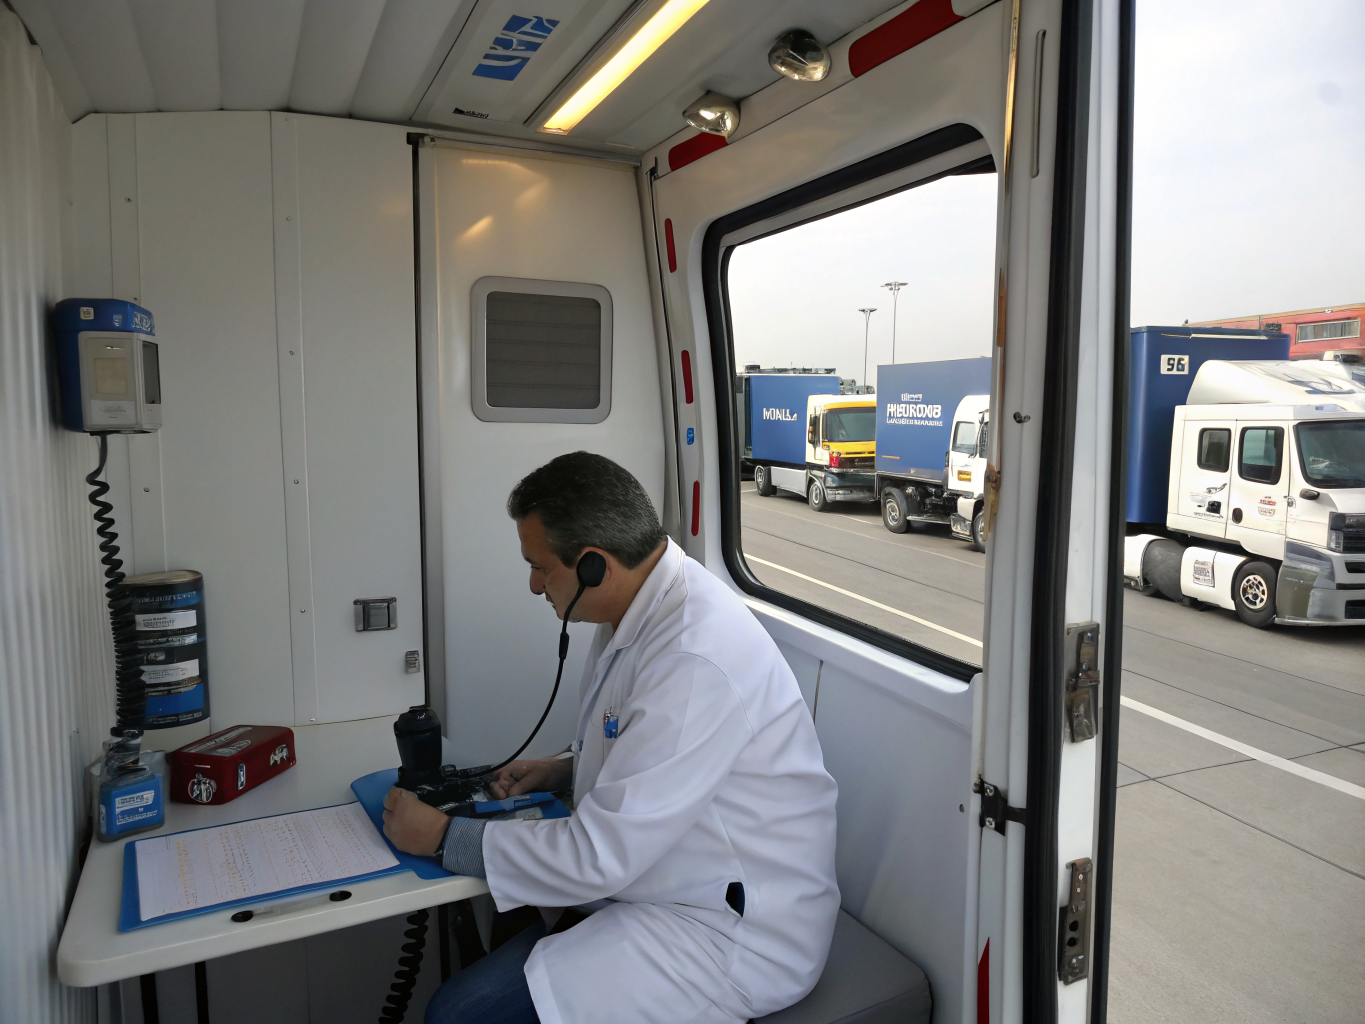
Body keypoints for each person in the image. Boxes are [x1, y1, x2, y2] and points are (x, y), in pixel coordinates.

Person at [382, 452, 839, 1024]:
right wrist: (566, 768)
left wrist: (446, 837)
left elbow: (601, 854)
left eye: (540, 567)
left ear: (594, 565)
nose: (532, 585)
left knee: (458, 1015)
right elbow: (645, 744)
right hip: (669, 879)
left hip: (730, 932)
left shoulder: (695, 658)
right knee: (510, 920)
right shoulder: (642, 610)